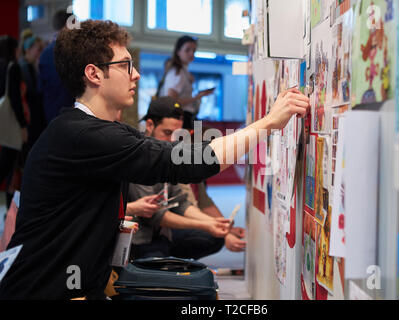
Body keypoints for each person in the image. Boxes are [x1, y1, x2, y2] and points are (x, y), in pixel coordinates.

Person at [0, 20, 309, 300]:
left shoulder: (96, 131)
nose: (136, 74)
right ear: (94, 73)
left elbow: (176, 156)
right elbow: (187, 160)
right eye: (125, 65)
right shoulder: (84, 135)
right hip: (44, 289)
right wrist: (267, 123)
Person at [128, 97, 244, 260]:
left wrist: (216, 224)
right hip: (140, 242)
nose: (172, 141)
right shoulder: (139, 156)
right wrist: (207, 224)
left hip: (163, 236)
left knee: (212, 237)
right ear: (149, 125)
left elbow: (183, 202)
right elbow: (156, 216)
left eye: (177, 135)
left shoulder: (170, 154)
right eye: (167, 133)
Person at [158, 35, 215, 129]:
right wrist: (196, 97)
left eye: (194, 50)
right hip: (181, 118)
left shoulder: (183, 71)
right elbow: (172, 101)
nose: (191, 54)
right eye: (187, 50)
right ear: (178, 52)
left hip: (184, 117)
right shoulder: (177, 72)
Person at [0, 35, 29, 209]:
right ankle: (12, 200)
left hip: (4, 119)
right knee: (11, 161)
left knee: (7, 158)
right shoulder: (14, 67)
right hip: (13, 120)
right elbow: (15, 98)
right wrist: (23, 125)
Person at [39, 10, 76, 123]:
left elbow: (40, 87)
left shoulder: (45, 53)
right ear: (67, 25)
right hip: (69, 113)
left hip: (50, 113)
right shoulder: (72, 52)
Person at [18, 29, 46, 155]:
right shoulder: (26, 67)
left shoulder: (30, 66)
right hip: (31, 117)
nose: (41, 53)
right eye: (38, 49)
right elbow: (33, 93)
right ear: (28, 50)